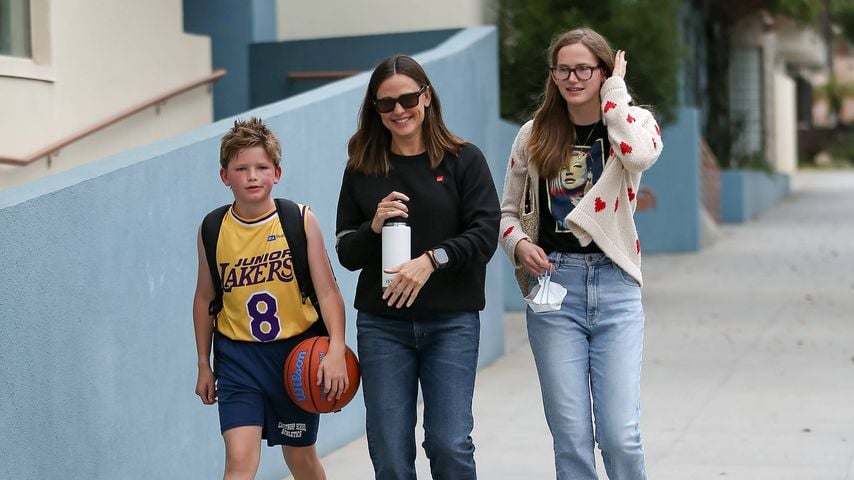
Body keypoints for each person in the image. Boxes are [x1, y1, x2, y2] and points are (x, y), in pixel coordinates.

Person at [498, 27, 663, 480]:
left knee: (619, 434)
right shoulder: (533, 136)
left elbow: (640, 155)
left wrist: (616, 96)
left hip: (616, 285)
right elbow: (508, 213)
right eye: (563, 69)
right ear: (553, 75)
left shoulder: (632, 126)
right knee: (570, 437)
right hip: (555, 288)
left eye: (584, 69)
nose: (572, 78)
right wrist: (521, 245)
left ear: (604, 72)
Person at [335, 54, 500, 480]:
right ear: (375, 110)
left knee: (448, 444)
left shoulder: (463, 160)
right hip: (382, 327)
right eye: (385, 104)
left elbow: (485, 235)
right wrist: (372, 226)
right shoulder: (362, 169)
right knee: (390, 454)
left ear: (426, 97)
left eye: (407, 98)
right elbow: (347, 254)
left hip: (451, 324)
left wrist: (431, 261)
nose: (398, 111)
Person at [193, 117, 349, 480]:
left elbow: (328, 292)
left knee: (301, 460)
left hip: (295, 355)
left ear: (276, 173)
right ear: (224, 176)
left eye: (261, 167)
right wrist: (203, 362)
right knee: (240, 459)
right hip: (238, 359)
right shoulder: (213, 229)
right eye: (241, 168)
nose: (251, 176)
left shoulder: (298, 219)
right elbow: (204, 299)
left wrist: (337, 349)